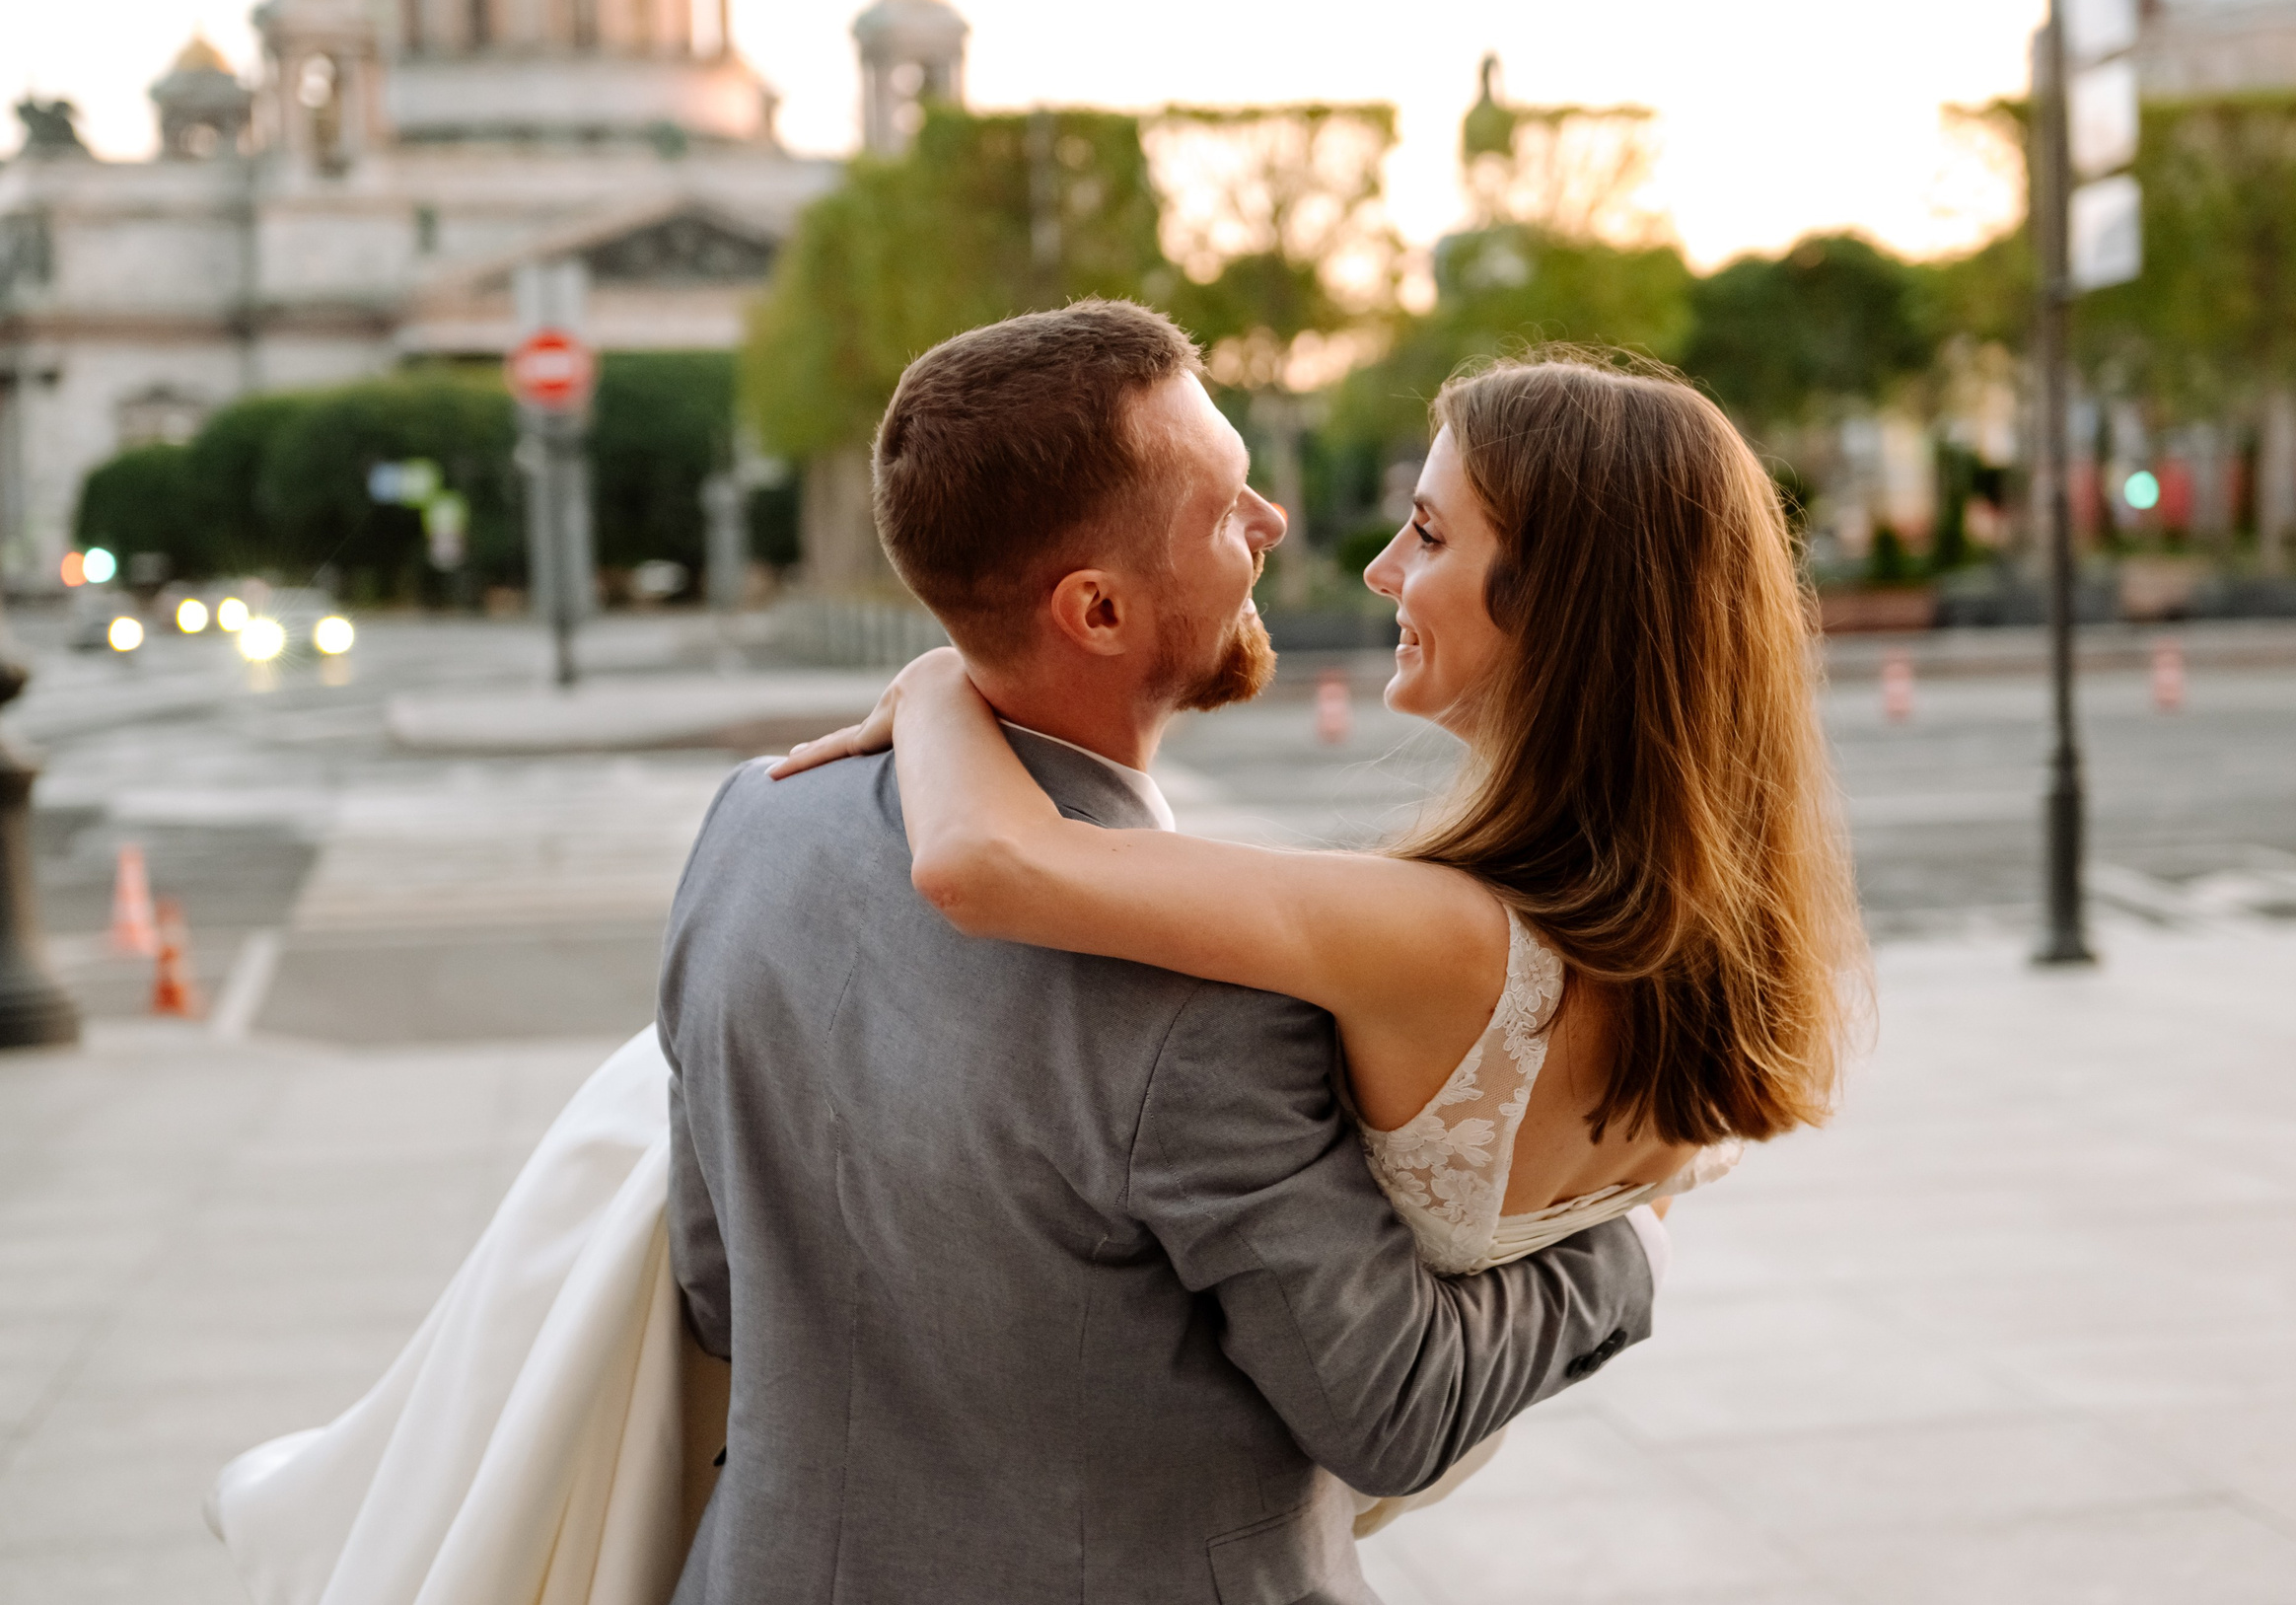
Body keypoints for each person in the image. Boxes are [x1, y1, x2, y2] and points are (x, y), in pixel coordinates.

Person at [204, 302, 1661, 1605]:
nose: (1277, 519)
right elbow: (1393, 1412)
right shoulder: (1216, 995)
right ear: (1094, 608)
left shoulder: (748, 832)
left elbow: (719, 1286)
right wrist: (1618, 1249)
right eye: (1226, 507)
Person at [772, 346, 1865, 1532]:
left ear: (1562, 596)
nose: (1380, 566)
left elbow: (982, 864)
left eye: (1431, 534)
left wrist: (939, 678)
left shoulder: (1432, 932)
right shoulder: (1703, 938)